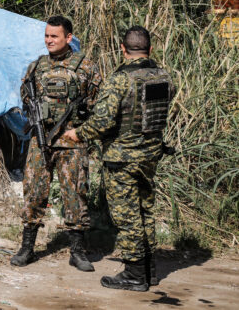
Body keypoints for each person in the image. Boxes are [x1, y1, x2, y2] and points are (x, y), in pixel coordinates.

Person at [63, 25, 173, 291]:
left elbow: (101, 122)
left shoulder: (119, 79)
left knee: (127, 217)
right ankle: (149, 270)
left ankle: (134, 275)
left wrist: (77, 133)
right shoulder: (164, 76)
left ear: (123, 49)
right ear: (150, 48)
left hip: (122, 159)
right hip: (150, 156)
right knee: (145, 211)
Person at [11, 16, 101, 272]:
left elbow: (97, 105)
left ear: (68, 38)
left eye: (55, 36)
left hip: (72, 143)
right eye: (47, 36)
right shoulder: (36, 67)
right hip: (41, 142)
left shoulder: (86, 67)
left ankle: (78, 251)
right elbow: (26, 97)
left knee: (75, 195)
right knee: (34, 193)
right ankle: (27, 248)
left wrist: (81, 130)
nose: (49, 40)